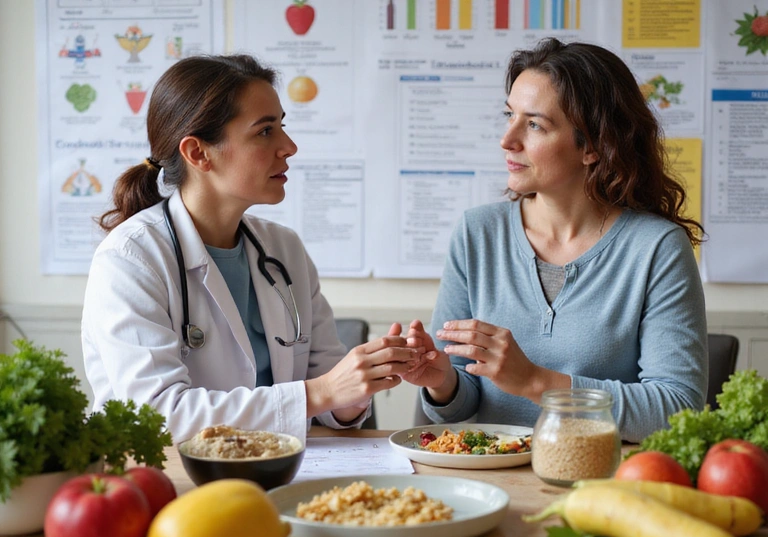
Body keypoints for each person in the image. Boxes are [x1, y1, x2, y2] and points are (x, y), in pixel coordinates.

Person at [82, 54, 419, 442]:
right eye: (265, 131)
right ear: (198, 153)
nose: (289, 146)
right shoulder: (130, 259)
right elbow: (159, 415)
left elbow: (331, 399)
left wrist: (365, 379)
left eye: (282, 127)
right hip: (172, 474)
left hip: (281, 467)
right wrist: (321, 393)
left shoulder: (284, 249)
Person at [404, 38, 707, 443]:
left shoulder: (657, 248)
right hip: (497, 473)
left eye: (534, 125)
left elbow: (677, 407)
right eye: (510, 115)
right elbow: (461, 400)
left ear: (593, 146)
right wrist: (443, 381)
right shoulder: (477, 233)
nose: (507, 139)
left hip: (601, 475)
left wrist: (536, 382)